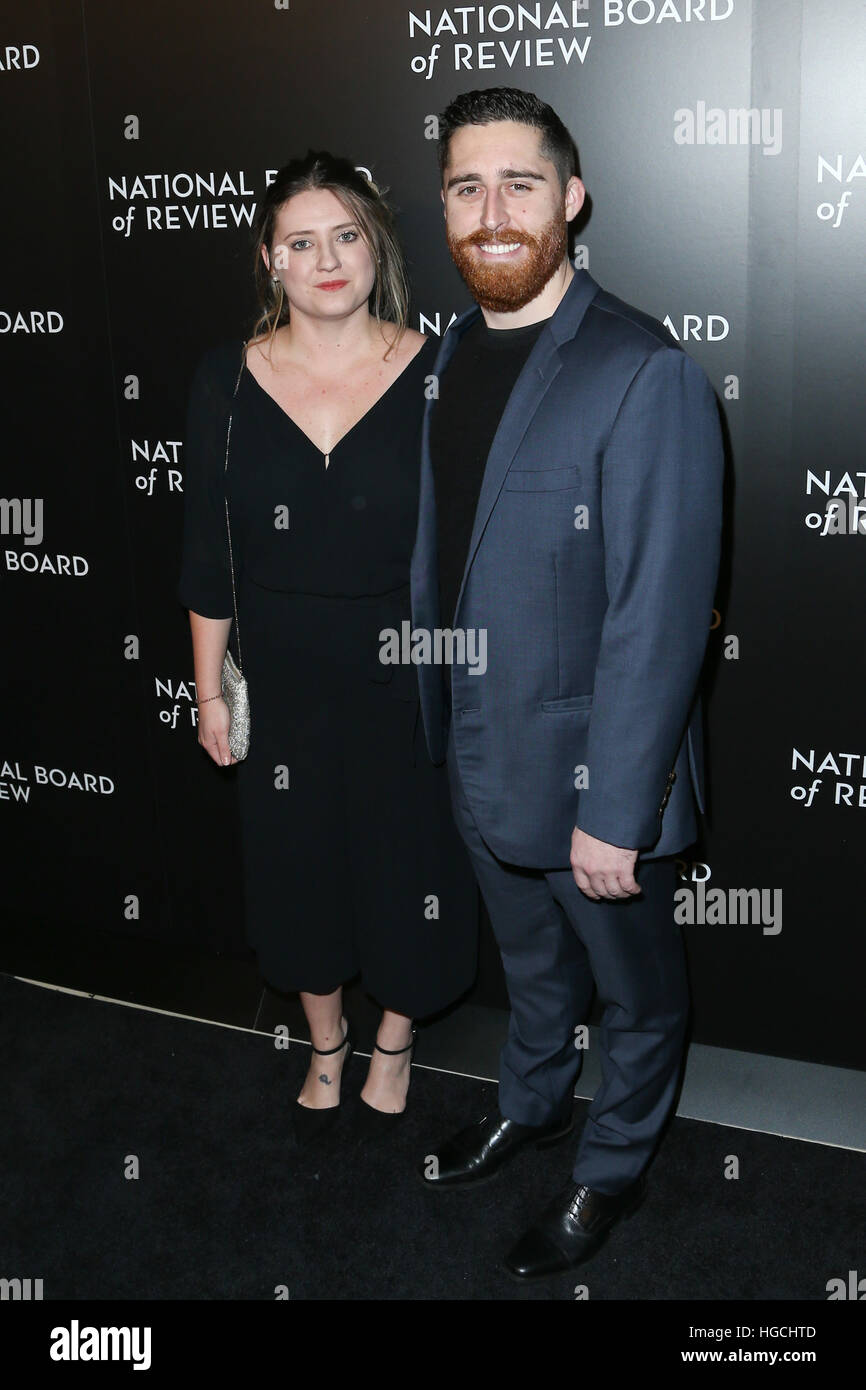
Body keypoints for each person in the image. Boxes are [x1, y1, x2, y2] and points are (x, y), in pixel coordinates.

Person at [411, 88, 724, 1277]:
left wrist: (616, 807)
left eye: (519, 184)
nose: (491, 212)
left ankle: (611, 1169)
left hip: (597, 780)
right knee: (533, 972)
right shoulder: (441, 356)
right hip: (479, 755)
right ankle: (531, 1101)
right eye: (464, 186)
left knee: (635, 997)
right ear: (442, 205)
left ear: (570, 199)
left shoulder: (642, 370)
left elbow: (657, 614)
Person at [176, 151, 477, 1148]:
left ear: (374, 246)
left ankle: (392, 1043)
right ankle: (323, 1041)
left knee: (407, 862)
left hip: (405, 672)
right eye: (301, 241)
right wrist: (209, 691)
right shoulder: (226, 377)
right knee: (296, 866)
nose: (326, 259)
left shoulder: (438, 366)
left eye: (345, 235)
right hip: (285, 670)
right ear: (270, 260)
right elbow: (207, 549)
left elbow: (469, 541)